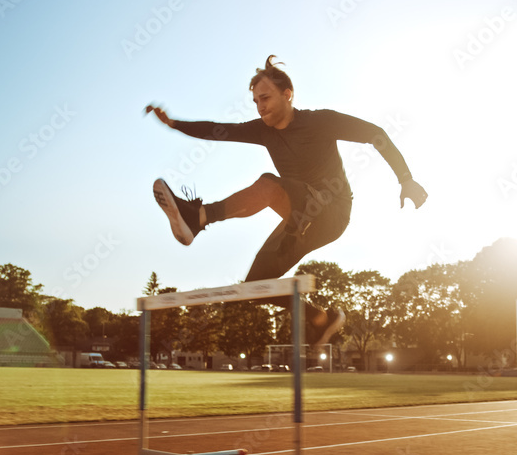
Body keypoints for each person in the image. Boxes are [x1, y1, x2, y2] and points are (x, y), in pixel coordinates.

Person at [146, 55, 427, 348]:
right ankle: (320, 319)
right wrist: (174, 124)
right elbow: (219, 130)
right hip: (299, 219)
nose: (260, 106)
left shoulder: (320, 121)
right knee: (255, 287)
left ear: (287, 95)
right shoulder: (262, 130)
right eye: (255, 101)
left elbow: (375, 134)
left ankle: (200, 216)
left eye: (265, 97)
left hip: (332, 210)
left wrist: (405, 179)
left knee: (269, 185)